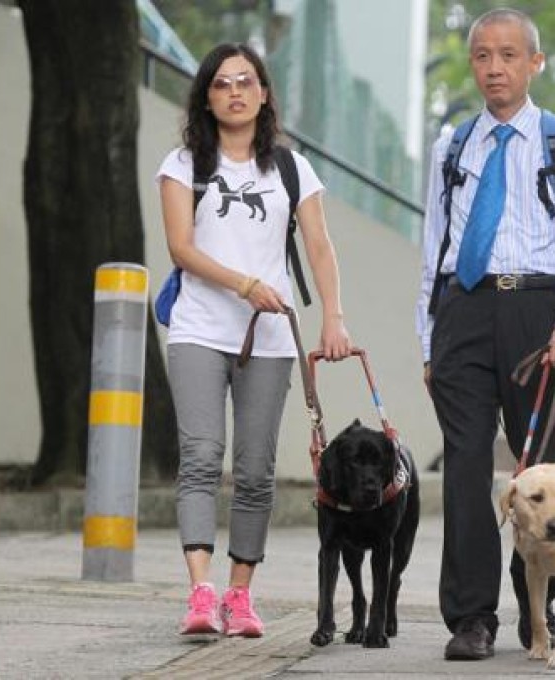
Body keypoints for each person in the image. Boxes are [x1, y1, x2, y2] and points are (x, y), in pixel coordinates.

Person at [415, 8, 555, 661]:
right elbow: (432, 250)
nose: (494, 68)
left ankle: (541, 613)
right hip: (463, 311)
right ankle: (470, 617)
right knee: (467, 466)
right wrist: (428, 341)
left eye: (508, 55)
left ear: (534, 63)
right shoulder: (451, 148)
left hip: (538, 311)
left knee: (552, 467)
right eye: (482, 57)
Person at [157, 42, 352, 639]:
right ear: (207, 97)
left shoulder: (291, 168)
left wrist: (334, 318)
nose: (235, 91)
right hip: (198, 329)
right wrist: (245, 284)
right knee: (200, 457)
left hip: (270, 338)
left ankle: (240, 596)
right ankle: (200, 591)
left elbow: (319, 245)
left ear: (264, 92)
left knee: (257, 469)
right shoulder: (182, 164)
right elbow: (181, 249)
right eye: (222, 83)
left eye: (246, 81)